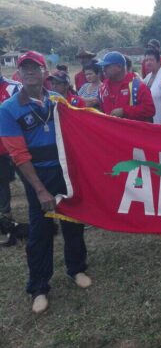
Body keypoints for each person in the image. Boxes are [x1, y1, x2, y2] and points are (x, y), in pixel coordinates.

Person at [0, 51, 91, 314]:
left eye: (34, 67)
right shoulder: (8, 110)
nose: (29, 72)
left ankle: (77, 269)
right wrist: (40, 189)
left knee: (73, 222)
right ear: (18, 73)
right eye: (24, 68)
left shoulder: (57, 101)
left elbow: (83, 123)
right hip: (36, 176)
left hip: (64, 171)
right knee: (40, 231)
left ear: (44, 72)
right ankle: (39, 287)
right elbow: (19, 155)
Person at [97, 51, 155, 121]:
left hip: (131, 130)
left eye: (107, 66)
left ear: (119, 67)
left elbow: (150, 110)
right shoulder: (102, 88)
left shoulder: (138, 87)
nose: (103, 69)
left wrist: (124, 111)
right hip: (109, 130)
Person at [0, 68, 21, 221]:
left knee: (32, 181)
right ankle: (6, 218)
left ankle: (47, 215)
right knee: (2, 183)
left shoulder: (14, 87)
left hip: (18, 146)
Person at [143, 48, 161, 125]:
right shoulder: (148, 77)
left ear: (158, 61)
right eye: (146, 60)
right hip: (151, 121)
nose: (148, 62)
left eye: (151, 60)